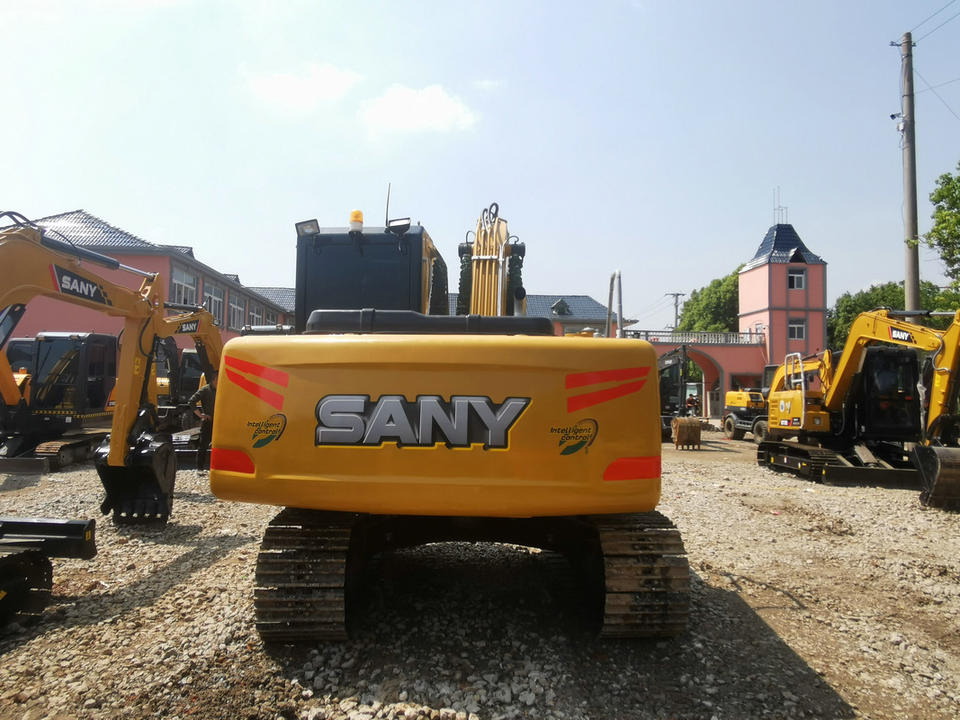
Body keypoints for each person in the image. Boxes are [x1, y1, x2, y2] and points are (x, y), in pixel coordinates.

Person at [189, 370, 218, 471]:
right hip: (208, 422)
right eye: (218, 379)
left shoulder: (221, 390)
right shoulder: (205, 390)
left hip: (219, 423)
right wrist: (201, 415)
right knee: (203, 445)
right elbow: (191, 401)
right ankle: (200, 468)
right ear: (214, 379)